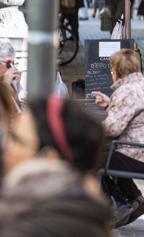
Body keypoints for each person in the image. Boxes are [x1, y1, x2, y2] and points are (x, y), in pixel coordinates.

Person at [0, 98, 113, 236]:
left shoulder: (34, 226)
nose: (5, 145)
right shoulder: (78, 208)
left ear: (49, 158)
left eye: (14, 138)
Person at [92, 49, 144, 227]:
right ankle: (135, 199)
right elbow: (130, 116)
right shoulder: (143, 86)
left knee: (88, 159)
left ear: (116, 71)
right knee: (106, 153)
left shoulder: (127, 91)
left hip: (140, 155)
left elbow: (113, 128)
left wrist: (87, 127)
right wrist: (110, 104)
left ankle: (118, 205)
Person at [0, 39, 21, 113]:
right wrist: (6, 85)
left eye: (13, 63)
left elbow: (17, 109)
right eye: (8, 64)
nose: (12, 68)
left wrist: (15, 85)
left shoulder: (9, 82)